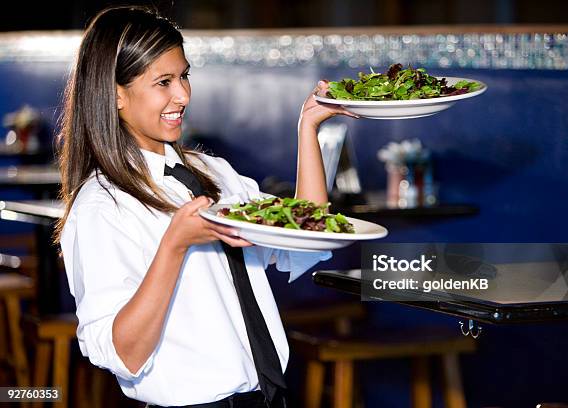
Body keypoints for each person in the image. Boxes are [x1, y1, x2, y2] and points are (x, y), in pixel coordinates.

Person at [55, 5, 358, 408]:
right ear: (116, 95)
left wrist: (309, 127)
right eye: (163, 81)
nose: (182, 94)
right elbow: (124, 354)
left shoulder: (213, 172)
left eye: (184, 76)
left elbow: (306, 233)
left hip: (266, 397)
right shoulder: (102, 204)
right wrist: (174, 245)